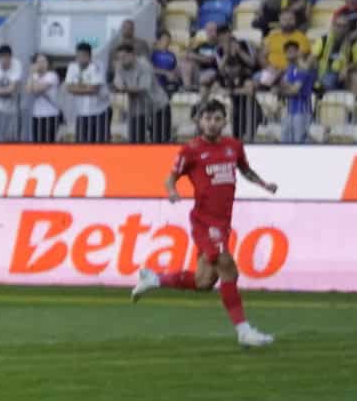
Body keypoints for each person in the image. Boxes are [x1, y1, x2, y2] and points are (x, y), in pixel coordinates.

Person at [131, 99, 279, 348]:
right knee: (228, 268)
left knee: (204, 282)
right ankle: (244, 331)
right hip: (204, 222)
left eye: (217, 118)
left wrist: (264, 184)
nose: (212, 123)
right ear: (199, 121)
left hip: (223, 222)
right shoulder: (191, 150)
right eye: (207, 118)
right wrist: (172, 191)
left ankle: (154, 280)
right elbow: (171, 178)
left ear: (225, 121)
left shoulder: (234, 146)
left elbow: (245, 170)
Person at [64, 43, 112, 143]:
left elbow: (94, 89)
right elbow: (68, 88)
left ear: (89, 56)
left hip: (100, 112)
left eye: (83, 55)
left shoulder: (98, 66)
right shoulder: (72, 67)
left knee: (100, 144)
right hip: (81, 113)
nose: (80, 59)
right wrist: (87, 88)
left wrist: (77, 88)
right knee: (82, 143)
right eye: (78, 56)